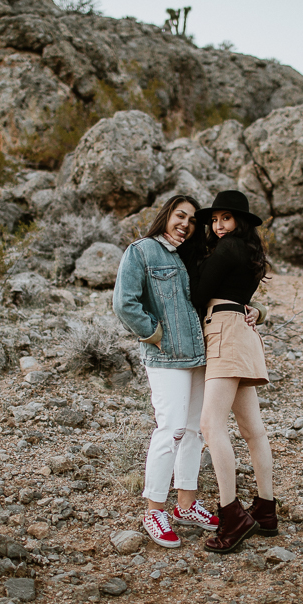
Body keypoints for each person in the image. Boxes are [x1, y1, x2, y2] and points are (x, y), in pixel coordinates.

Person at [112, 195, 220, 548]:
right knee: (170, 429)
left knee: (194, 431)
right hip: (166, 357)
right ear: (166, 215)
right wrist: (152, 333)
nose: (185, 224)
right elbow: (124, 302)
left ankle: (186, 505)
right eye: (180, 215)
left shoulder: (190, 254)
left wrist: (253, 309)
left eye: (191, 220)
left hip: (199, 356)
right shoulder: (142, 251)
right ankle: (154, 509)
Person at [192, 190, 278, 554]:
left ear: (240, 221)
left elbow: (199, 291)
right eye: (214, 220)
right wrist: (256, 308)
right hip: (242, 331)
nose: (218, 225)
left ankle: (232, 515)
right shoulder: (249, 251)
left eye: (225, 218)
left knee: (211, 426)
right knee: (252, 429)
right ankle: (265, 509)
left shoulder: (227, 248)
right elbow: (236, 292)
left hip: (225, 330)